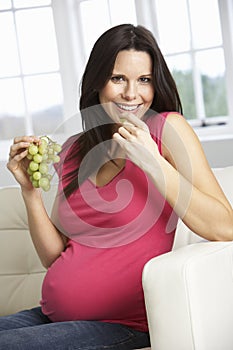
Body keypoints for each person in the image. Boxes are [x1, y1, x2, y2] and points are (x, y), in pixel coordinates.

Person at [2, 23, 233, 349]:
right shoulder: (73, 149)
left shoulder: (167, 130)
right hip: (51, 316)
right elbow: (54, 255)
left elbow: (225, 226)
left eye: (144, 80)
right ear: (98, 83)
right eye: (118, 78)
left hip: (121, 325)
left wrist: (153, 163)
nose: (131, 93)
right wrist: (30, 192)